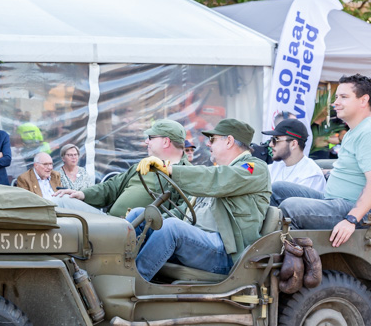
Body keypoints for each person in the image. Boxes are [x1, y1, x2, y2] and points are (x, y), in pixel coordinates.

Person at [132, 119, 270, 282]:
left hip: (227, 254)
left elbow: (219, 179)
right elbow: (186, 210)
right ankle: (112, 270)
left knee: (172, 228)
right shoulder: (218, 172)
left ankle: (131, 284)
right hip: (198, 243)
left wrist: (168, 168)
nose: (208, 144)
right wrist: (154, 220)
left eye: (212, 139)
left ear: (229, 141)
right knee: (140, 214)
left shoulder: (253, 168)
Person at [272, 74, 371, 247]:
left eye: (343, 97)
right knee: (277, 189)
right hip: (337, 202)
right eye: (337, 97)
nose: (335, 102)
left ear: (363, 100)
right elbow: (352, 170)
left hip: (367, 214)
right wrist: (326, 173)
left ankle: (289, 256)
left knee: (290, 206)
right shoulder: (355, 131)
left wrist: (351, 219)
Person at [55, 120, 188, 217]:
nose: (146, 141)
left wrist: (147, 222)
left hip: (135, 232)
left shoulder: (188, 175)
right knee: (61, 200)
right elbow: (111, 187)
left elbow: (182, 213)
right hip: (108, 221)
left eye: (151, 138)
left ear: (165, 142)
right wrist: (82, 194)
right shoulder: (145, 165)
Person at [265, 118, 326, 194]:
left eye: (276, 140)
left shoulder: (311, 175)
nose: (270, 144)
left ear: (293, 144)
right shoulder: (276, 166)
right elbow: (253, 171)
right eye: (271, 139)